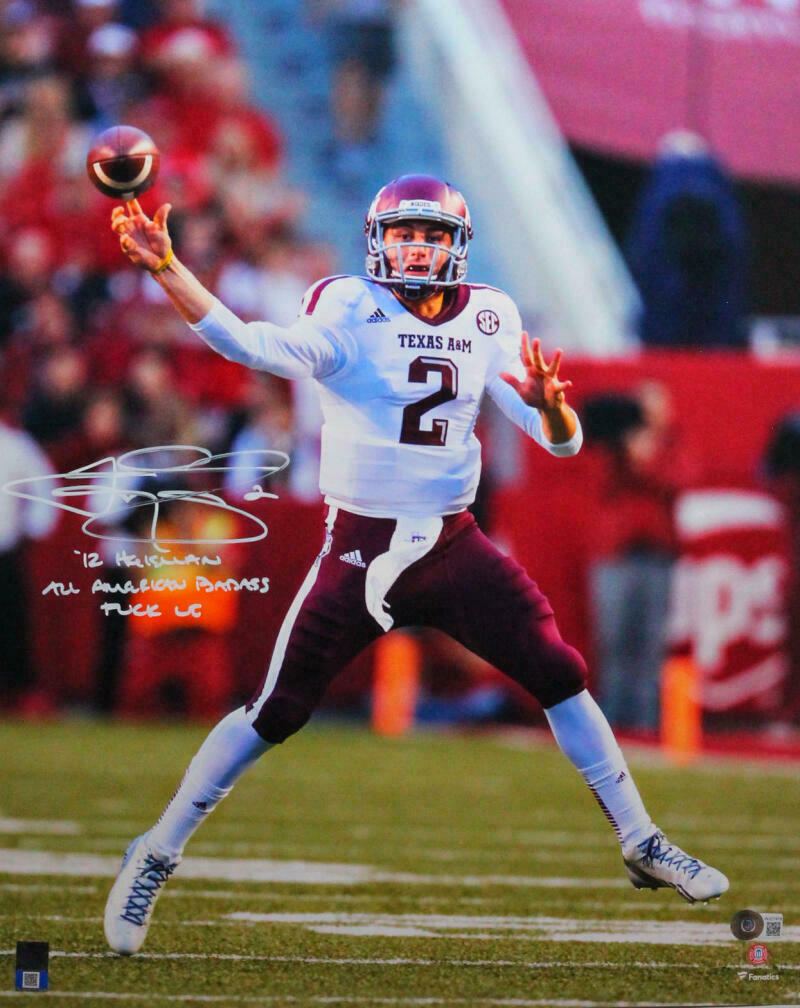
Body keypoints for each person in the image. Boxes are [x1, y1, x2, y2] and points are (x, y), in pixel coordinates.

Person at [102, 173, 729, 956]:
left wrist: (553, 405)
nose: (418, 247)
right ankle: (156, 850)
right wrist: (169, 269)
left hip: (452, 543)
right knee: (276, 711)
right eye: (405, 233)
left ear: (457, 246)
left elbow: (560, 442)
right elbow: (250, 344)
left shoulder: (490, 314)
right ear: (378, 241)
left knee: (559, 671)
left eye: (433, 234)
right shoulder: (347, 305)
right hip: (361, 547)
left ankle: (640, 838)